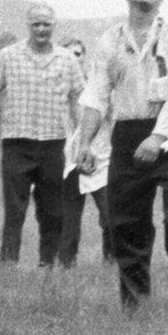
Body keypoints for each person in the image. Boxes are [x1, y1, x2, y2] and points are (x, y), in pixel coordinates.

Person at [74, 0, 168, 311]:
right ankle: (135, 306)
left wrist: (158, 137)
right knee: (127, 225)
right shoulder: (109, 41)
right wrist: (84, 144)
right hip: (128, 133)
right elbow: (96, 96)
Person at [0, 4, 85, 268]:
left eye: (46, 24)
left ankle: (47, 265)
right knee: (14, 210)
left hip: (53, 145)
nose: (41, 29)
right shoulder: (8, 56)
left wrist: (83, 142)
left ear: (54, 25)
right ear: (28, 26)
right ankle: (9, 266)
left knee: (52, 212)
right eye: (36, 24)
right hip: (16, 144)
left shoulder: (67, 60)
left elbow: (78, 102)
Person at [58, 37, 114, 267]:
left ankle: (111, 264)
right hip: (69, 161)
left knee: (109, 214)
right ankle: (65, 267)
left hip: (100, 159)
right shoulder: (55, 90)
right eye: (66, 53)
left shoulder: (97, 85)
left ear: (84, 57)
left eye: (77, 54)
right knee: (68, 220)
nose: (72, 58)